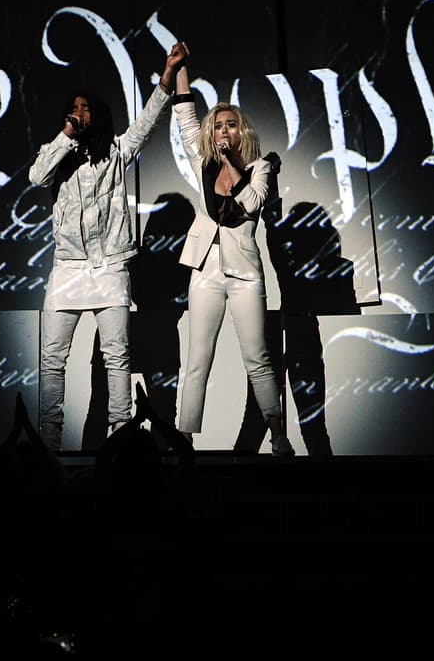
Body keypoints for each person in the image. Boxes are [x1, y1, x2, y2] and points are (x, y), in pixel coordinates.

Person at [29, 41, 190, 451]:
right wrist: (65, 136)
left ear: (97, 116)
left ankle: (121, 441)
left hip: (111, 268)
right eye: (74, 107)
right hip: (67, 268)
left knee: (116, 359)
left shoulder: (117, 153)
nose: (78, 113)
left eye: (85, 109)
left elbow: (149, 121)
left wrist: (168, 77)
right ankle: (49, 445)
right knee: (52, 360)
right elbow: (36, 176)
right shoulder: (59, 155)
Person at [172, 63, 294, 456]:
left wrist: (231, 164)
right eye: (218, 125)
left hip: (244, 275)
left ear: (242, 131)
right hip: (205, 271)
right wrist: (178, 69)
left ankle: (277, 434)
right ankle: (184, 438)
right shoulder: (202, 163)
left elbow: (252, 202)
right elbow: (184, 115)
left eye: (231, 124)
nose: (224, 130)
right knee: (197, 359)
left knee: (257, 357)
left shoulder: (261, 168)